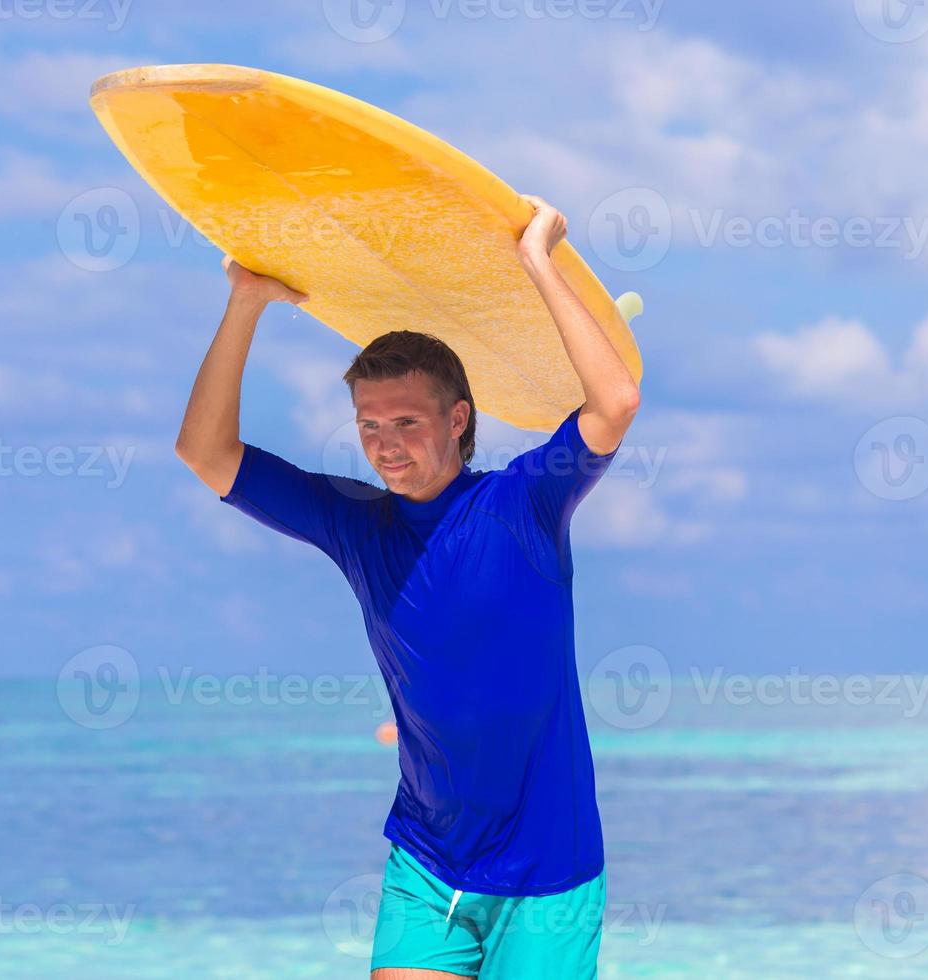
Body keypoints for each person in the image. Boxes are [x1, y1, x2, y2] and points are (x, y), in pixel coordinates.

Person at [175, 195, 640, 979]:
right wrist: (245, 302)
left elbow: (616, 402)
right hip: (427, 859)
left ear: (459, 418)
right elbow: (204, 450)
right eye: (368, 426)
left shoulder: (525, 503)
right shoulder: (356, 524)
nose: (385, 447)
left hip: (549, 868)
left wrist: (539, 259)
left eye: (407, 424)